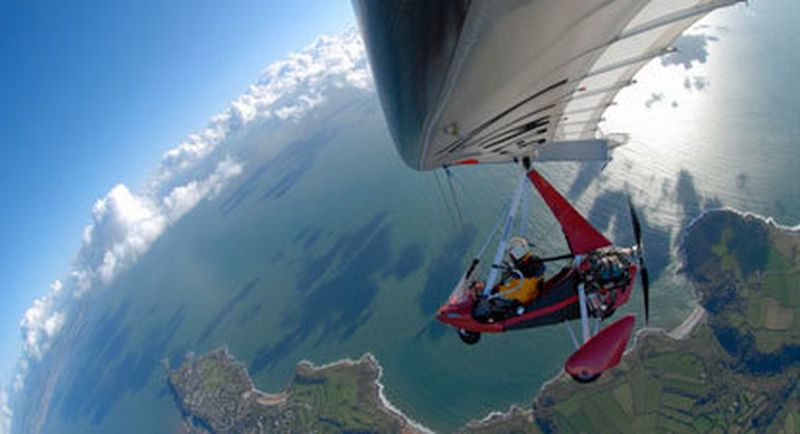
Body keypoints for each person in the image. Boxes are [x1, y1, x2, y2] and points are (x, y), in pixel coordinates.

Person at [492, 237, 546, 313]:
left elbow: (515, 292)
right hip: (531, 290)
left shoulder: (525, 273)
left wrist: (497, 290)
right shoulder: (531, 262)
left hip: (525, 298)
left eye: (511, 255)